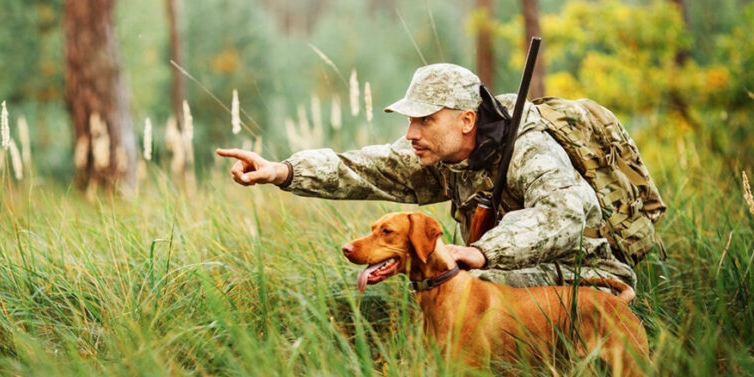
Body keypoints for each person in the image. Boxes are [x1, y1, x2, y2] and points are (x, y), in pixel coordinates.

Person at [216, 63, 636, 288]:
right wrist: (282, 170)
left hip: (588, 273)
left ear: (467, 120)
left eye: (425, 120)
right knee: (455, 282)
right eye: (410, 120)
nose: (411, 134)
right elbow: (363, 168)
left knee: (472, 282)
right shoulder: (440, 154)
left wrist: (482, 253)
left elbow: (565, 214)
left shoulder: (528, 148)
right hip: (514, 272)